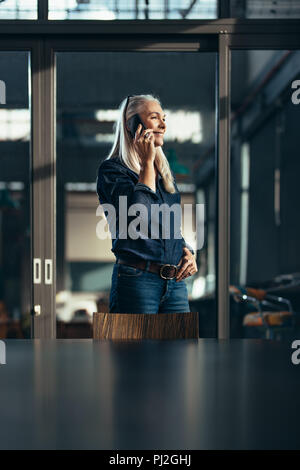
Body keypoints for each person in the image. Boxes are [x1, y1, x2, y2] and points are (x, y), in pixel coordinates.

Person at [96, 94, 197, 314]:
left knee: (181, 348)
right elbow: (137, 215)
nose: (163, 125)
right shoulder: (112, 171)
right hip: (137, 281)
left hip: (175, 284)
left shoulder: (164, 176)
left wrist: (186, 251)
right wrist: (147, 163)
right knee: (137, 349)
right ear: (132, 125)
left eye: (164, 118)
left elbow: (170, 229)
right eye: (154, 117)